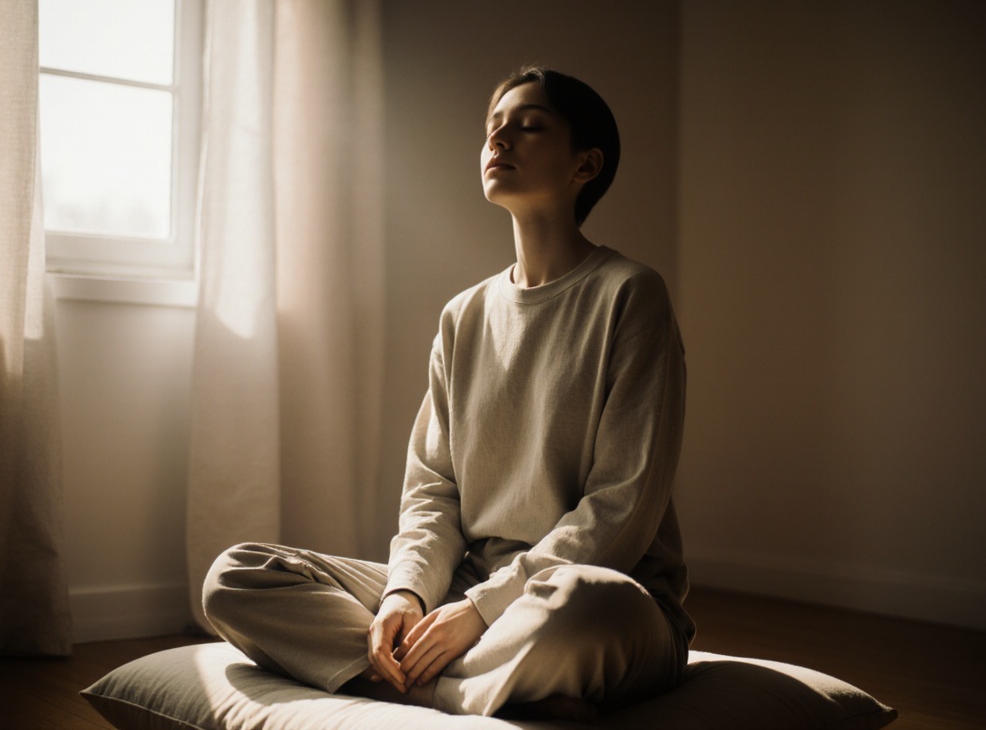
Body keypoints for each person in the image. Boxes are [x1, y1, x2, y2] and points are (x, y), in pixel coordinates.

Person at [203, 66, 694, 720]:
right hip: (462, 592)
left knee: (584, 606)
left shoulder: (631, 295)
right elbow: (434, 490)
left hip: (593, 597)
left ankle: (418, 683)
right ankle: (462, 685)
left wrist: (485, 610)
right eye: (493, 129)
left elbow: (621, 508)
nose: (500, 140)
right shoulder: (464, 316)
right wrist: (405, 596)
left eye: (528, 126)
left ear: (585, 164)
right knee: (235, 577)